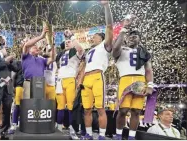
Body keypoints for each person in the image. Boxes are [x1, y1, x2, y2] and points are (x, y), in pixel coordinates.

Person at [112, 16, 154, 140]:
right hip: (125, 79)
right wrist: (124, 28)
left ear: (139, 39)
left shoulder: (144, 52)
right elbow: (114, 49)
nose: (132, 37)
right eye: (130, 35)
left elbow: (148, 70)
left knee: (136, 111)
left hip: (140, 80)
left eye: (135, 36)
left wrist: (150, 85)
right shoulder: (121, 49)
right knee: (123, 110)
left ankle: (131, 137)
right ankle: (118, 135)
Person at [77, 1, 113, 140]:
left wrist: (106, 7)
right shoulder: (89, 50)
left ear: (102, 37)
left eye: (95, 35)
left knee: (100, 109)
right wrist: (80, 80)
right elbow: (84, 66)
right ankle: (89, 134)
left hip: (98, 76)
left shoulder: (105, 45)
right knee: (86, 109)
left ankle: (102, 136)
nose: (93, 37)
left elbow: (109, 26)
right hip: (86, 78)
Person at [55, 28, 84, 139]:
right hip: (60, 81)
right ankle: (58, 129)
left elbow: (80, 49)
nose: (67, 42)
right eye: (66, 41)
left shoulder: (75, 53)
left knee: (71, 107)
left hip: (70, 80)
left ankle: (73, 130)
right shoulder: (61, 54)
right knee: (60, 107)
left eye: (69, 41)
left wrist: (72, 36)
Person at [0, 36, 17, 139]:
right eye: (0, 41)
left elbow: (16, 67)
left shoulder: (8, 53)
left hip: (8, 85)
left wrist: (10, 60)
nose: (2, 43)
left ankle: (4, 130)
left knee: (7, 108)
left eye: (3, 41)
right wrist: (5, 59)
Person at [22, 26, 55, 99]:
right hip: (28, 83)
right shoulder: (26, 56)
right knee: (28, 106)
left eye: (37, 47)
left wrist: (52, 43)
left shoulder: (42, 60)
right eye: (34, 47)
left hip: (39, 84)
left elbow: (52, 58)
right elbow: (26, 45)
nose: (37, 48)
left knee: (39, 106)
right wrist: (41, 36)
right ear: (29, 50)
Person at [8, 60, 24, 134]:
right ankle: (14, 124)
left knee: (26, 106)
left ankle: (22, 123)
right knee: (17, 105)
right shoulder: (19, 62)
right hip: (19, 85)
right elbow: (13, 74)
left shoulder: (34, 61)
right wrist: (14, 86)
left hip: (30, 85)